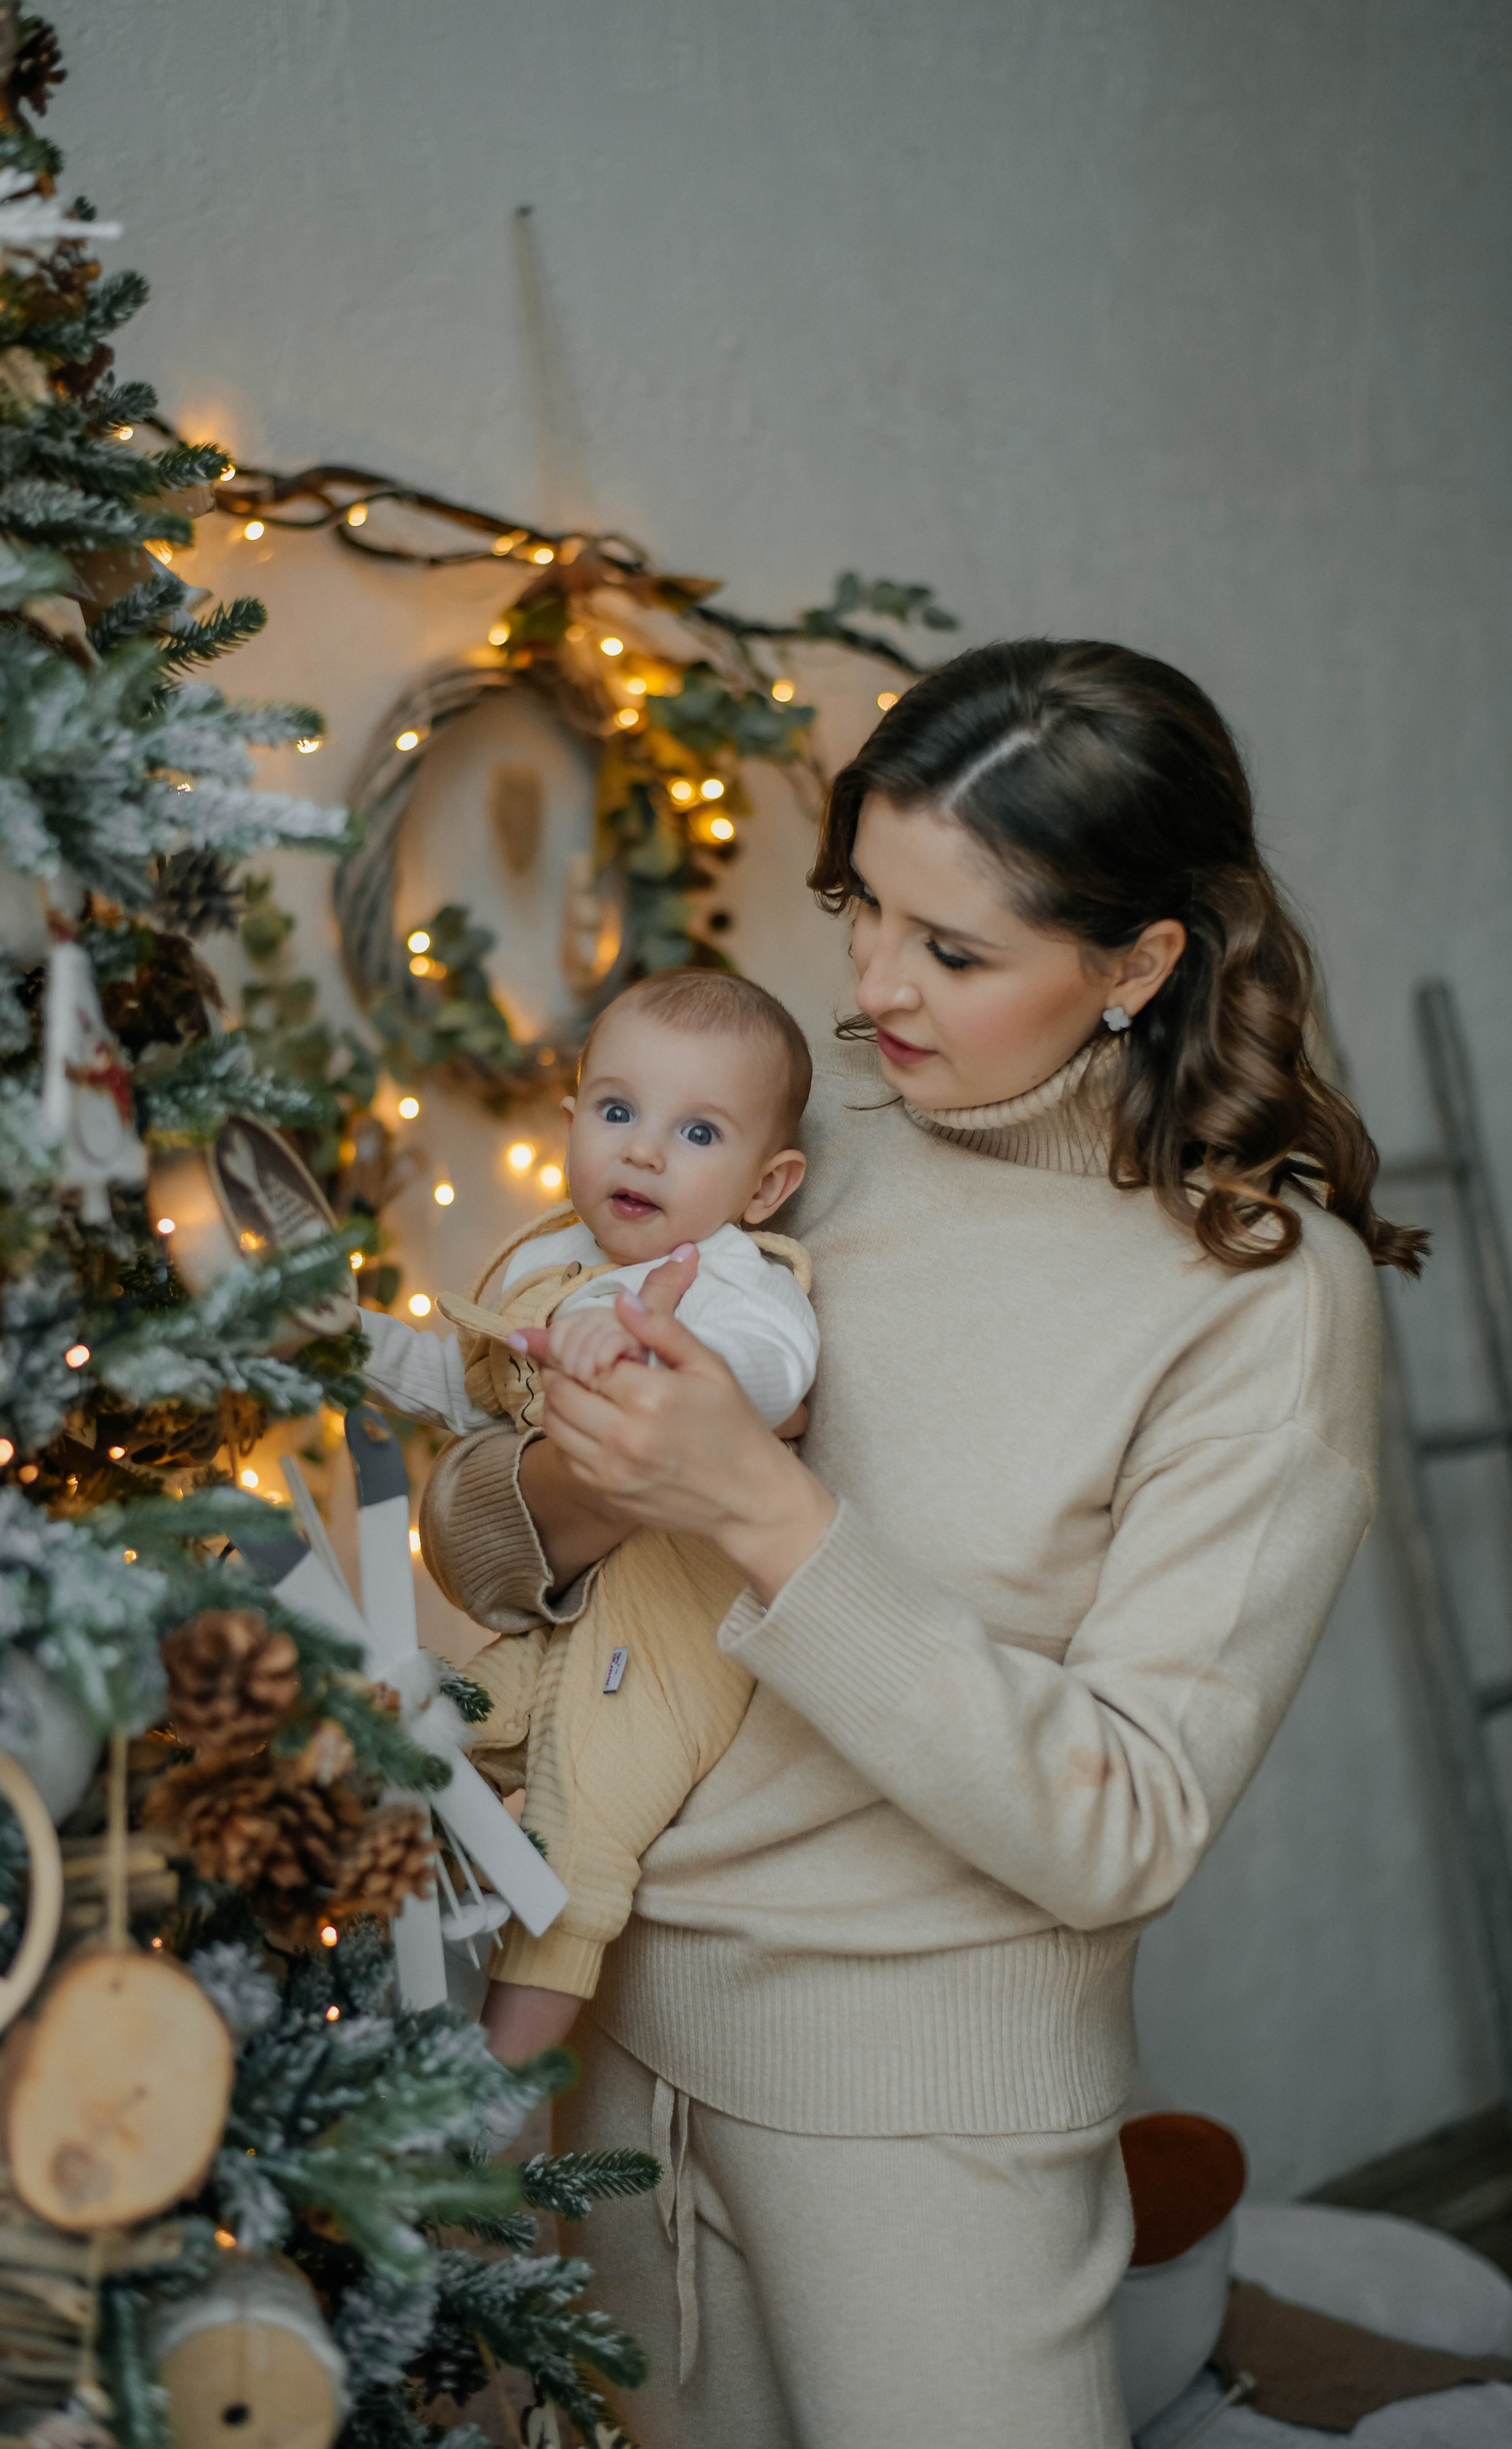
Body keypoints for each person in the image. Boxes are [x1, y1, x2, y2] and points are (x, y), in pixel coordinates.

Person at [422, 640, 1424, 2448]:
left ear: (1137, 965)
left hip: (928, 2125)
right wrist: (596, 1485)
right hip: (607, 2047)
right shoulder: (798, 1139)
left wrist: (765, 1509)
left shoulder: (1264, 1303)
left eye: (952, 952)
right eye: (859, 909)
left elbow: (1122, 1823)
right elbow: (479, 1548)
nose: (872, 987)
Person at [360, 969, 818, 2059]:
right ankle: (381, 2017)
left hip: (673, 1638)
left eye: (698, 1133)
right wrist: (342, 1336)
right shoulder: (551, 1264)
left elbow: (775, 1374)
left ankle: (494, 2100)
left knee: (581, 1843)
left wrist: (666, 1355)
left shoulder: (730, 1282)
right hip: (559, 1621)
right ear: (571, 1122)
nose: (645, 1152)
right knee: (425, 1734)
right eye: (617, 1112)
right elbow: (465, 1388)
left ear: (766, 1185)